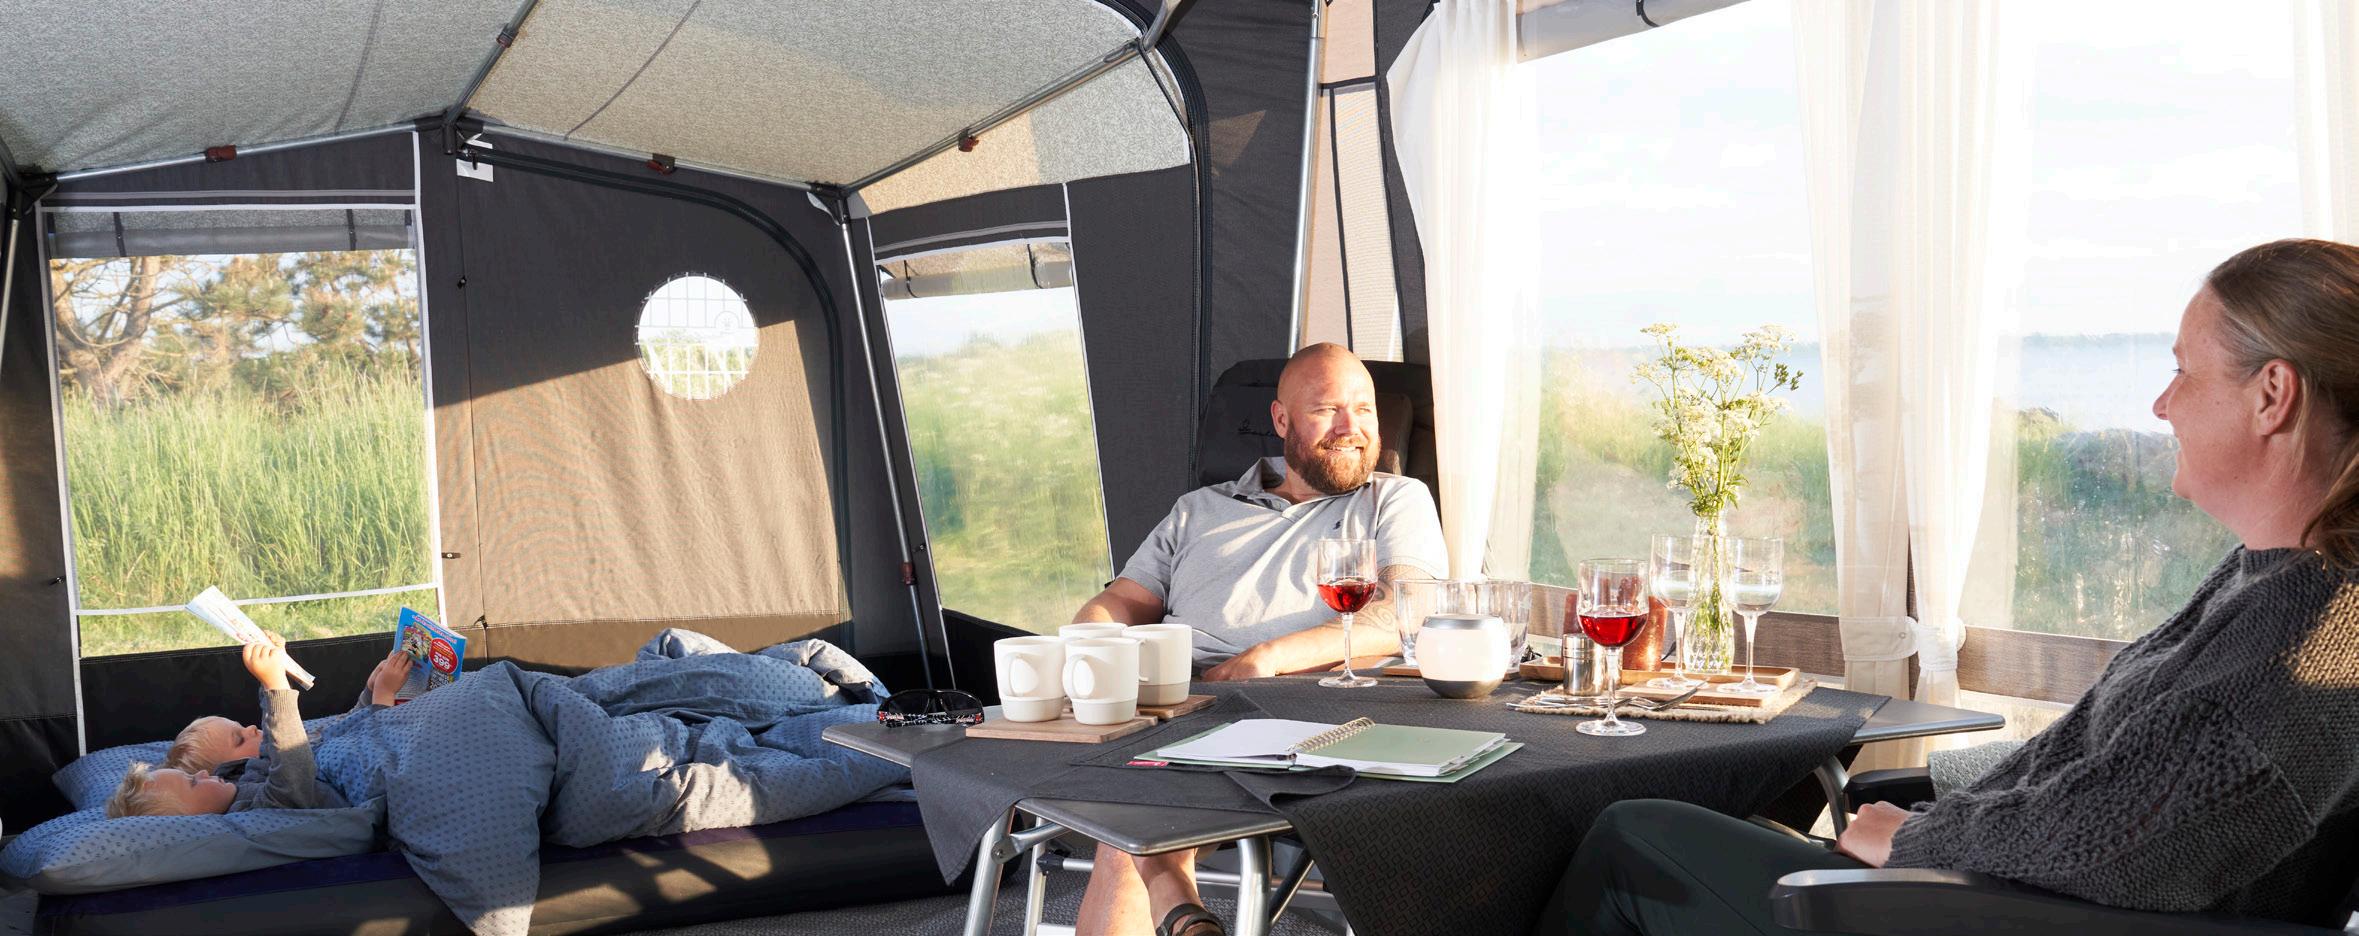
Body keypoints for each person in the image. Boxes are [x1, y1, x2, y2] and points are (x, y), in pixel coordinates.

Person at [1541, 238, 2359, 934]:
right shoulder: (2267, 578)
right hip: (2006, 890)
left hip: (2013, 917)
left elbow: (2124, 844)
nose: (2159, 403)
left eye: (2182, 371)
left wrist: (1914, 839)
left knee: (1632, 836)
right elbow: (2107, 772)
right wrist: (1943, 797)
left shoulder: (2320, 633)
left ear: (2271, 395)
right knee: (1722, 822)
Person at [1069, 342, 1448, 936]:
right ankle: (1179, 907)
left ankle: (1175, 903)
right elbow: (1121, 602)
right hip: (1170, 700)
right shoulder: (1199, 509)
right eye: (1326, 410)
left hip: (1295, 711)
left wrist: (1265, 659)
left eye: (1364, 410)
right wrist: (1089, 646)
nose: (1350, 428)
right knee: (1092, 780)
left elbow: (1407, 615)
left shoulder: (1394, 500)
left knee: (1129, 824)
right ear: (1281, 420)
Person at [107, 636, 412, 818]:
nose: (203, 774)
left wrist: (370, 694)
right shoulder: (256, 812)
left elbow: (333, 735)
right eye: (193, 783)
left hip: (371, 732)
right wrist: (381, 701)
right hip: (377, 775)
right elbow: (291, 767)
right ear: (190, 818)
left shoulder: (242, 783)